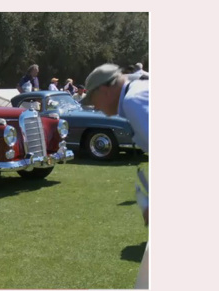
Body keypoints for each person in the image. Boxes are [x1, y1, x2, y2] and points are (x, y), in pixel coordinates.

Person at [81, 63, 149, 289]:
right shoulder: (137, 94)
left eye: (93, 99)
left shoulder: (133, 101)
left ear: (105, 90)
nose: (94, 107)